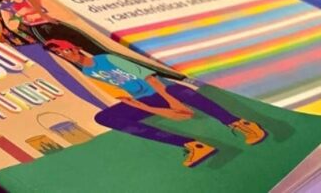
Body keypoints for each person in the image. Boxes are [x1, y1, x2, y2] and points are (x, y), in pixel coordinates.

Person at [46, 39, 267, 168]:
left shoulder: (106, 59)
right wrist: (158, 110)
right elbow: (125, 98)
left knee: (182, 93)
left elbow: (150, 77)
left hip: (163, 89)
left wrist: (171, 102)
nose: (64, 54)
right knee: (105, 117)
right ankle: (194, 145)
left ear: (74, 47)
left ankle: (240, 123)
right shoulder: (88, 72)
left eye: (64, 49)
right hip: (146, 100)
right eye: (59, 54)